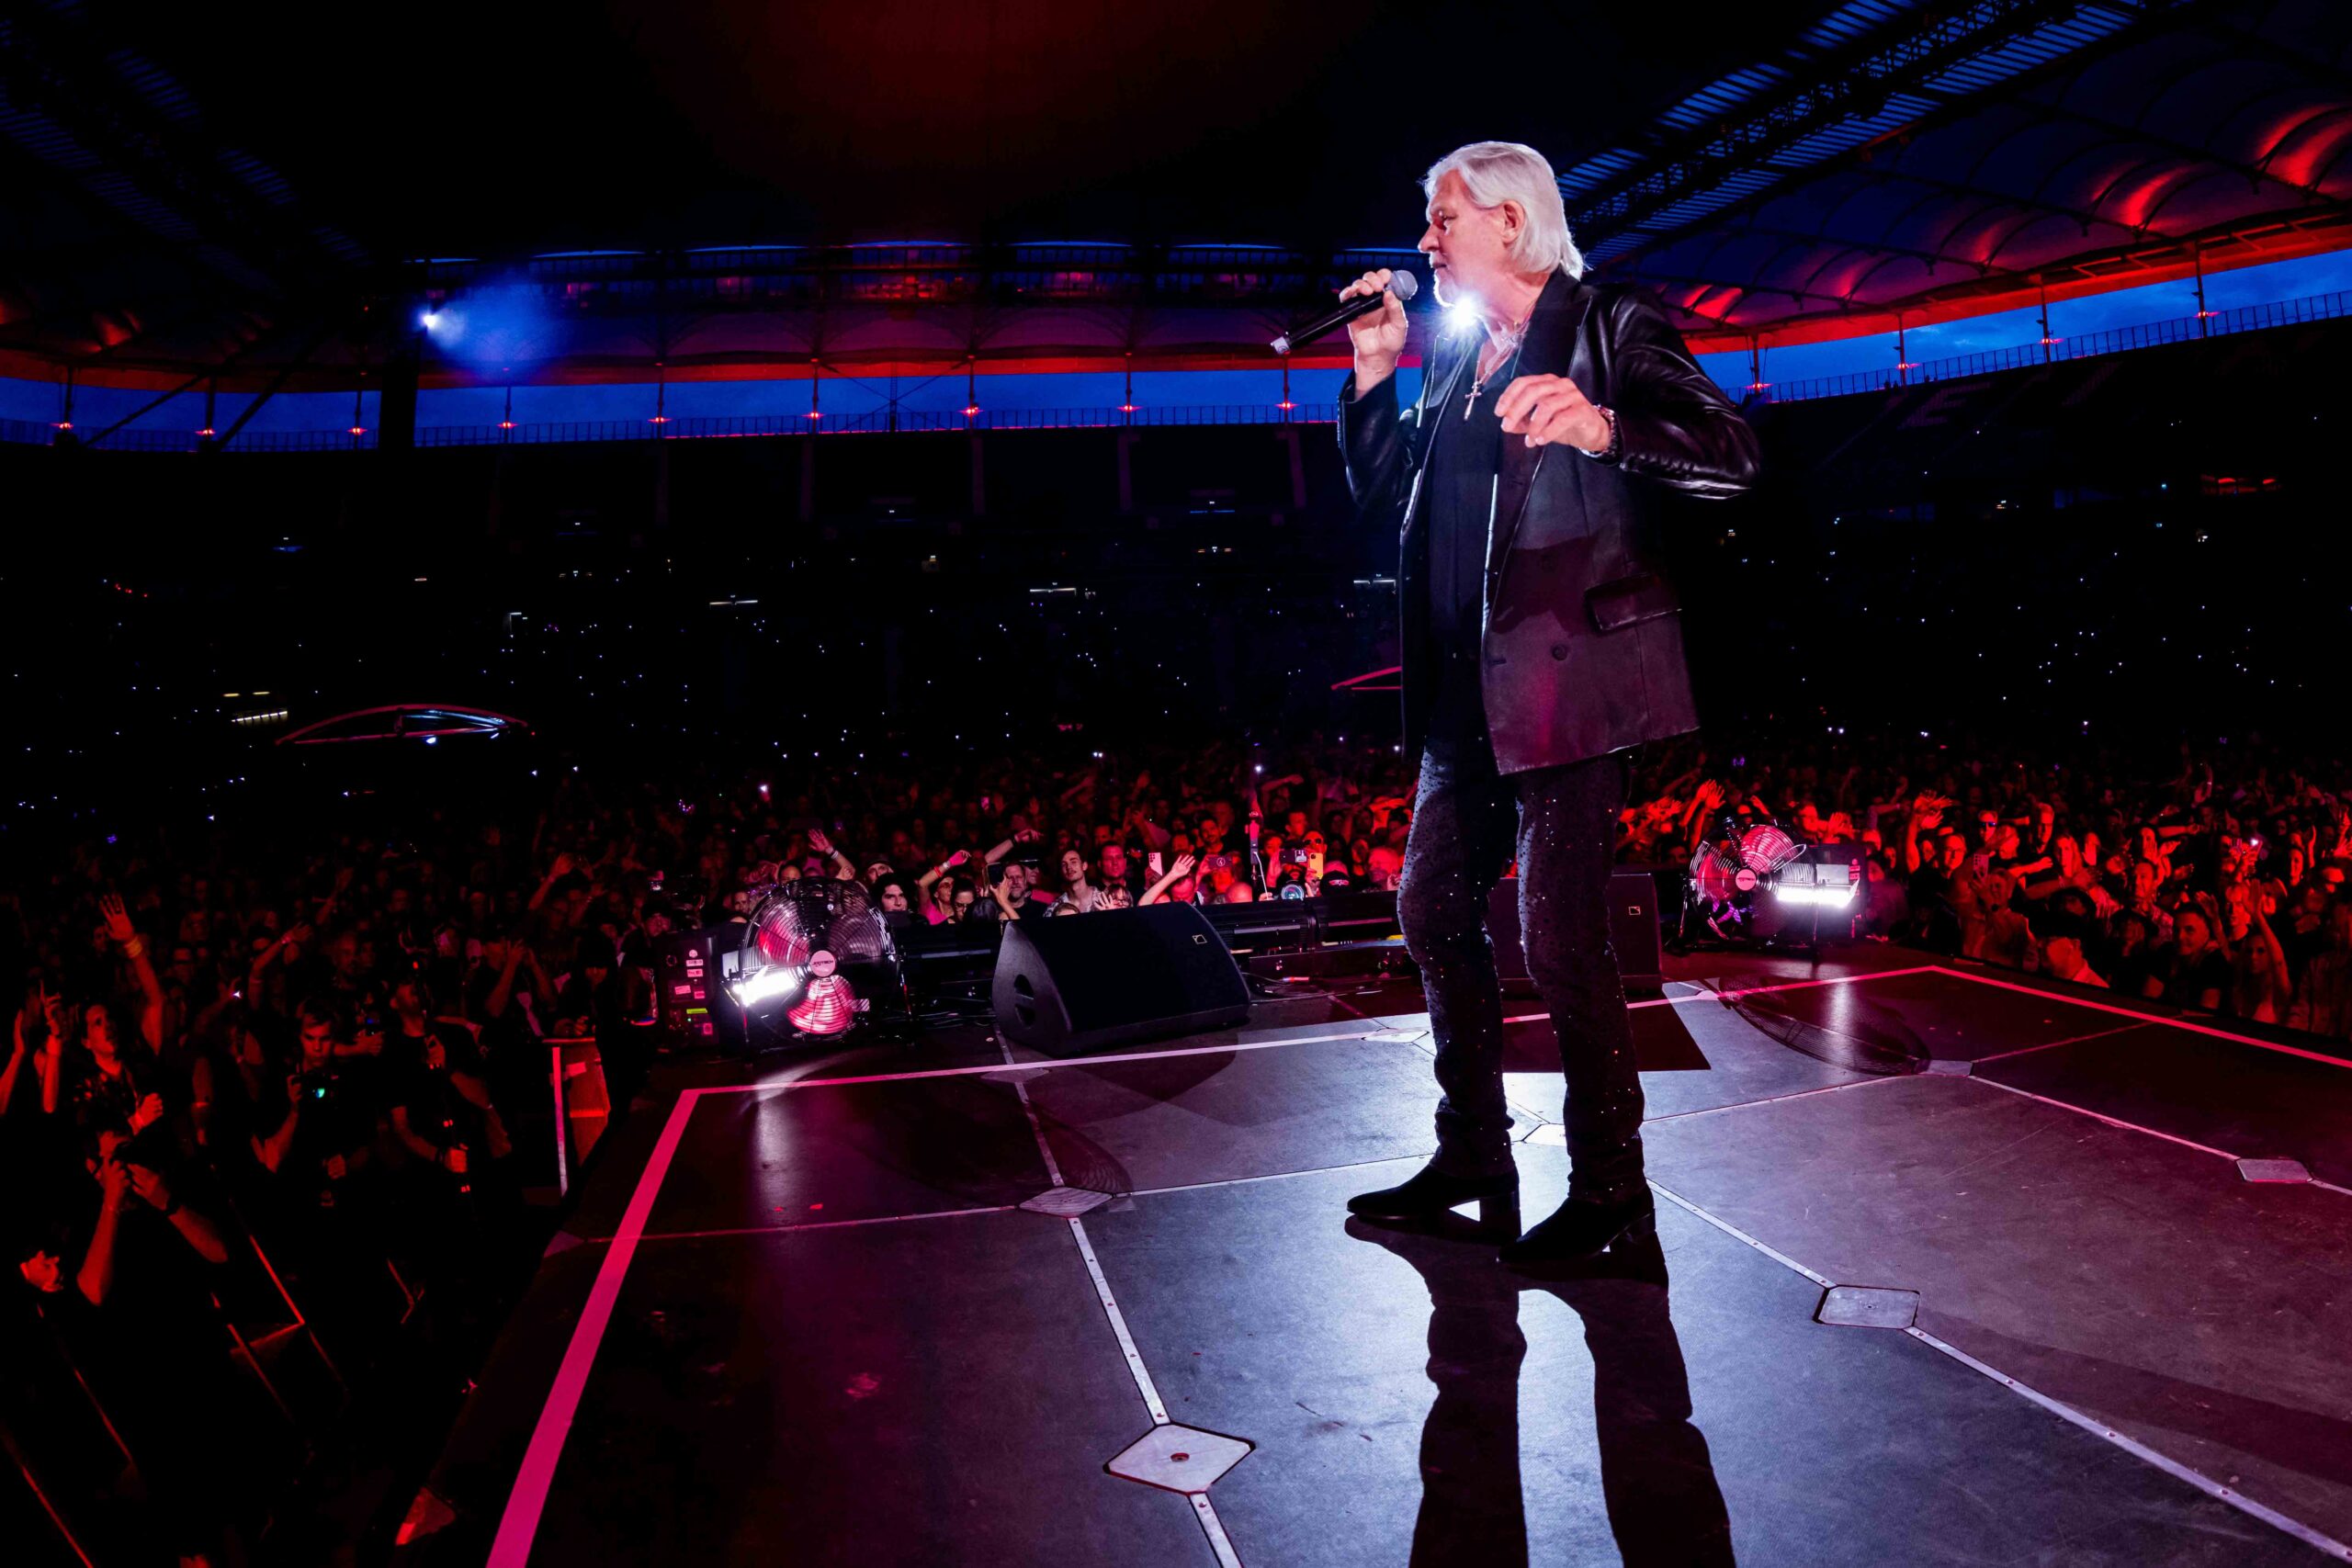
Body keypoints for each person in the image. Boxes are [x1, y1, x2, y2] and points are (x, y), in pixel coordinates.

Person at [1335, 141, 1758, 1267]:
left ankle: (1612, 1194)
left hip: (1571, 683)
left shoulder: (1609, 323)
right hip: (1463, 691)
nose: (1424, 240)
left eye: (1442, 218)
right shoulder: (1457, 359)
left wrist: (1603, 428)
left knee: (1560, 936)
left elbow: (1731, 455)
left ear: (1510, 223)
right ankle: (1473, 1151)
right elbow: (1387, 502)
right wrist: (1375, 375)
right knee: (1431, 908)